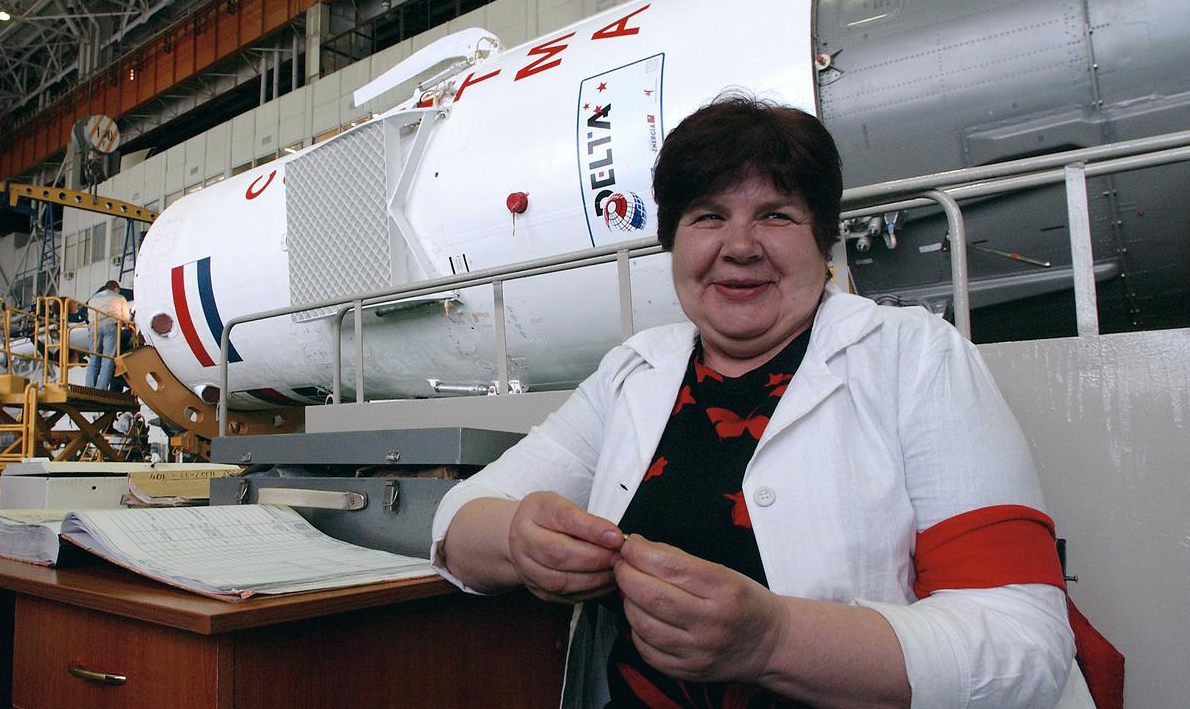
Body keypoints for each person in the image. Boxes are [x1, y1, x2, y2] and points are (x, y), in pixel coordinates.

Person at [431, 95, 1098, 708]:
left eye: (775, 214)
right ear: (674, 241)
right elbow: (458, 524)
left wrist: (773, 639)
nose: (740, 245)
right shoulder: (635, 371)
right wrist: (520, 542)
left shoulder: (915, 357)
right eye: (708, 216)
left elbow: (1024, 643)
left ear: (823, 239)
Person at [85, 280, 131, 389]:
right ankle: (101, 388)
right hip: (110, 326)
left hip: (94, 328)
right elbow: (126, 318)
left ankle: (89, 387)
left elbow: (89, 315)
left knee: (94, 360)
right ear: (116, 289)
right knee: (108, 360)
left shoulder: (93, 298)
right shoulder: (119, 297)